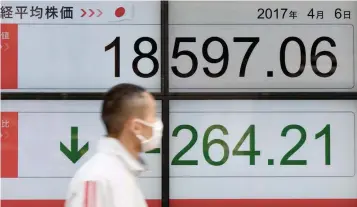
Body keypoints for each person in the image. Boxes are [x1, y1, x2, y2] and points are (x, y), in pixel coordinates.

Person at [65, 83, 163, 207]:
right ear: (136, 127)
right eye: (153, 116)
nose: (157, 124)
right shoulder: (97, 178)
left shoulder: (121, 174)